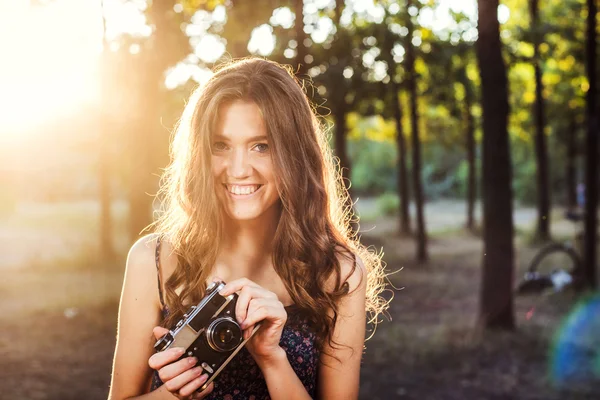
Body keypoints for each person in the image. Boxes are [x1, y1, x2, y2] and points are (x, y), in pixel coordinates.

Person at [107, 57, 387, 400]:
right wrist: (176, 394)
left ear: (294, 154)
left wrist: (271, 359)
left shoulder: (338, 273)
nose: (238, 170)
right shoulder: (152, 261)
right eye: (220, 146)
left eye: (261, 146)